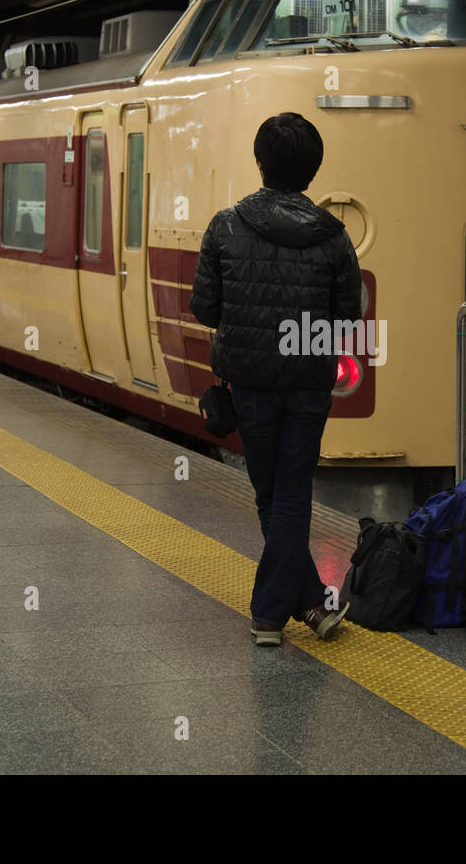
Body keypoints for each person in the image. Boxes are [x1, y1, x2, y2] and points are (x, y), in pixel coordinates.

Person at [190, 112, 361, 647]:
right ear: (312, 170)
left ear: (260, 162)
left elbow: (204, 308)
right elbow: (348, 315)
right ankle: (310, 602)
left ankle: (267, 615)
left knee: (271, 493)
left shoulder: (225, 226)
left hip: (250, 384)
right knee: (289, 492)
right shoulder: (334, 236)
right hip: (308, 382)